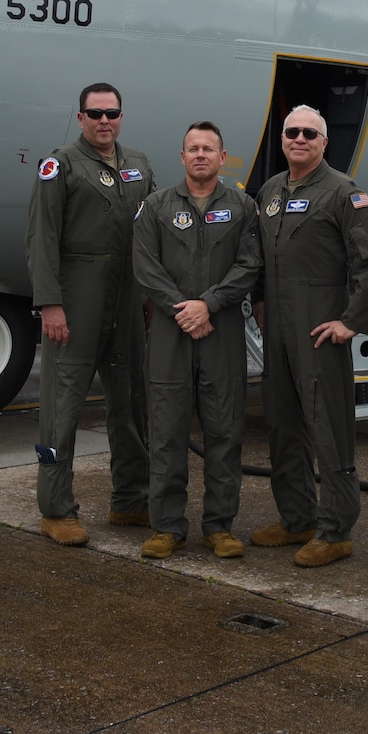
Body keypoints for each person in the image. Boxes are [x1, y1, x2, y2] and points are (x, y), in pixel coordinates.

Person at [249, 104, 368, 567]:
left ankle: (336, 528)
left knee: (328, 429)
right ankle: (297, 519)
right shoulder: (270, 191)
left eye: (311, 133)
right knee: (283, 425)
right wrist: (262, 306)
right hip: (279, 333)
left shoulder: (343, 193)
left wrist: (351, 321)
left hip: (320, 329)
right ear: (283, 139)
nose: (300, 139)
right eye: (292, 132)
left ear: (324, 142)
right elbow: (259, 259)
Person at [26, 81, 155, 546]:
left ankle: (131, 500)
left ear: (121, 117)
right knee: (63, 407)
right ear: (80, 118)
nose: (105, 121)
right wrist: (50, 304)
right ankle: (56, 508)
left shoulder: (138, 166)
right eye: (95, 114)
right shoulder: (59, 166)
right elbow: (41, 239)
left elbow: (152, 234)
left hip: (127, 300)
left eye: (112, 113)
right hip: (76, 301)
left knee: (132, 403)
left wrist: (154, 296)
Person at [130, 121, 262, 560]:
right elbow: (145, 266)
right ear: (182, 157)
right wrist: (183, 310)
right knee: (166, 434)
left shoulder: (243, 206)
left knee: (225, 433)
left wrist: (209, 304)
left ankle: (220, 527)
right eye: (193, 148)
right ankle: (167, 527)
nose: (201, 155)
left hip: (221, 332)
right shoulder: (156, 206)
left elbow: (249, 265)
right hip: (171, 334)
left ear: (223, 158)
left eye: (209, 148)